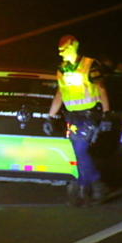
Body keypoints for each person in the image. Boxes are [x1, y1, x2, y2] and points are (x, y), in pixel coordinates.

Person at [43, 35, 110, 207]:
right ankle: (83, 192)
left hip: (89, 114)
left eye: (63, 49)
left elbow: (102, 88)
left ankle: (97, 184)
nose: (60, 53)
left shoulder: (89, 64)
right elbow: (60, 94)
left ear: (73, 46)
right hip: (73, 117)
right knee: (78, 154)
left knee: (81, 151)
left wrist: (106, 113)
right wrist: (50, 117)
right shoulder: (62, 69)